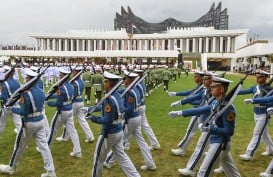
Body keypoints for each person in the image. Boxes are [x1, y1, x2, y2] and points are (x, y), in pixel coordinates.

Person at [169, 77, 241, 177]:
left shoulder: (227, 108)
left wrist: (210, 129)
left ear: (222, 89)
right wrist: (180, 113)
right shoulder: (217, 103)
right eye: (211, 86)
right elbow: (200, 110)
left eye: (214, 86)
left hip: (220, 143)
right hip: (216, 142)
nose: (211, 88)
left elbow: (229, 131)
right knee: (232, 172)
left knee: (203, 172)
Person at [0, 68, 56, 177]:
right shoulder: (40, 90)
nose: (25, 79)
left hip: (29, 123)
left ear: (30, 80)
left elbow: (24, 112)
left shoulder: (26, 94)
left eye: (27, 78)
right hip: (40, 121)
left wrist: (11, 109)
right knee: (44, 147)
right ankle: (51, 171)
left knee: (19, 147)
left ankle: (11, 168)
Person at [86, 71, 140, 177]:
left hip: (109, 133)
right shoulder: (117, 95)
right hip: (118, 130)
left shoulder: (109, 98)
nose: (104, 83)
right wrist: (89, 109)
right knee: (122, 157)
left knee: (98, 160)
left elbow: (107, 120)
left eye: (105, 81)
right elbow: (117, 110)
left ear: (109, 83)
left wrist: (93, 118)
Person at [47, 67, 82, 158]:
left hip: (61, 111)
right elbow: (63, 95)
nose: (59, 77)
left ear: (63, 77)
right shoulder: (70, 86)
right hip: (69, 109)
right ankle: (78, 151)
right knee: (72, 131)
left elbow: (58, 102)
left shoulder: (61, 88)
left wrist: (49, 103)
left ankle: (47, 148)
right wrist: (49, 96)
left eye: (60, 75)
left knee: (52, 130)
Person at [238, 70, 273, 161]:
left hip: (264, 113)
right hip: (256, 112)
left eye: (260, 77)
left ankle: (249, 153)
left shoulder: (270, 90)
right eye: (257, 77)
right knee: (264, 133)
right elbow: (244, 91)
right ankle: (271, 149)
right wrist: (235, 91)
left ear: (265, 77)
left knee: (257, 133)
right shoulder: (255, 87)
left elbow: (269, 101)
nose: (257, 79)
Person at [169, 70, 205, 156]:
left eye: (196, 76)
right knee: (205, 132)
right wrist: (176, 94)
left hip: (199, 112)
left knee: (191, 130)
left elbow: (201, 101)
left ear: (201, 77)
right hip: (199, 111)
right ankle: (213, 148)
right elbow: (190, 93)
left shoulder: (203, 88)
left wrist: (189, 102)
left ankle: (182, 149)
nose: (195, 78)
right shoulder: (200, 86)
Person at [56, 66, 95, 143]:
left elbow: (72, 94)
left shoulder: (73, 82)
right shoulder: (81, 82)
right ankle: (90, 136)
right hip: (80, 101)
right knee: (82, 120)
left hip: (74, 102)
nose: (72, 73)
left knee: (68, 120)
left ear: (76, 72)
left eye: (73, 71)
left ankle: (65, 137)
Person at [0, 65, 22, 135]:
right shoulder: (17, 82)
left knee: (1, 124)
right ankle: (21, 141)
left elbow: (3, 97)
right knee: (19, 125)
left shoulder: (4, 83)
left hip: (6, 106)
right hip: (16, 105)